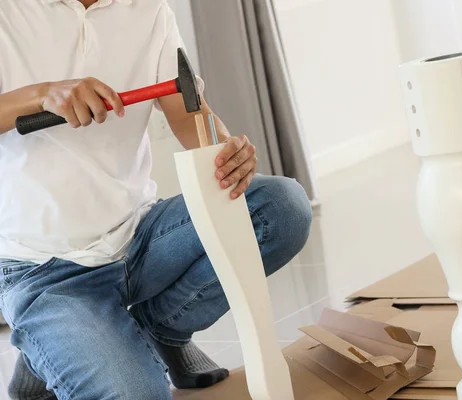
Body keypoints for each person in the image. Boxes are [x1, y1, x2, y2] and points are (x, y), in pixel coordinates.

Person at [0, 0, 312, 399]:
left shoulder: (149, 10)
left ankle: (161, 328)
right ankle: (55, 346)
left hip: (141, 237)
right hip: (42, 269)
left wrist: (223, 153)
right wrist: (41, 94)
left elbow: (187, 110)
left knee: (281, 207)